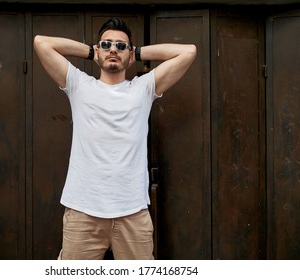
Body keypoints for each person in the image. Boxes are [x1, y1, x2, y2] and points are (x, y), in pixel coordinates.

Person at [34, 17, 196, 260]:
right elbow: (41, 43)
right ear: (98, 50)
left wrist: (136, 52)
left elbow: (188, 51)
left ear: (129, 55)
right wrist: (92, 52)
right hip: (83, 213)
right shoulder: (79, 85)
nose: (113, 49)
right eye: (107, 44)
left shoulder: (143, 88)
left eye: (121, 46)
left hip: (132, 214)